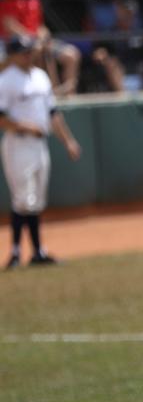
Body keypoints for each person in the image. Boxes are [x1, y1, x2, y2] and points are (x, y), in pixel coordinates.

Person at [0, 35, 81, 269]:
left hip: (40, 144)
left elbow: (53, 114)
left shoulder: (40, 76)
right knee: (23, 199)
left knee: (36, 201)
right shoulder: (6, 80)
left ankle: (37, 252)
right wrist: (24, 126)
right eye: (23, 52)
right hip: (18, 143)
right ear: (13, 54)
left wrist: (68, 141)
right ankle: (16, 252)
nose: (28, 55)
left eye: (29, 51)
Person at [0, 0, 81, 95]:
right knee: (39, 49)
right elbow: (9, 25)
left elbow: (40, 26)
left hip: (37, 41)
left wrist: (44, 35)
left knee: (72, 55)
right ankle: (50, 92)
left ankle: (69, 94)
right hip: (15, 43)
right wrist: (34, 38)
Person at [89, 0, 143, 92]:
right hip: (118, 73)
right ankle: (124, 101)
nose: (127, 15)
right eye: (124, 12)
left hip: (141, 70)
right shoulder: (110, 33)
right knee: (112, 63)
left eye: (130, 12)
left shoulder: (142, 32)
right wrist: (101, 55)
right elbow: (99, 51)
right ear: (118, 12)